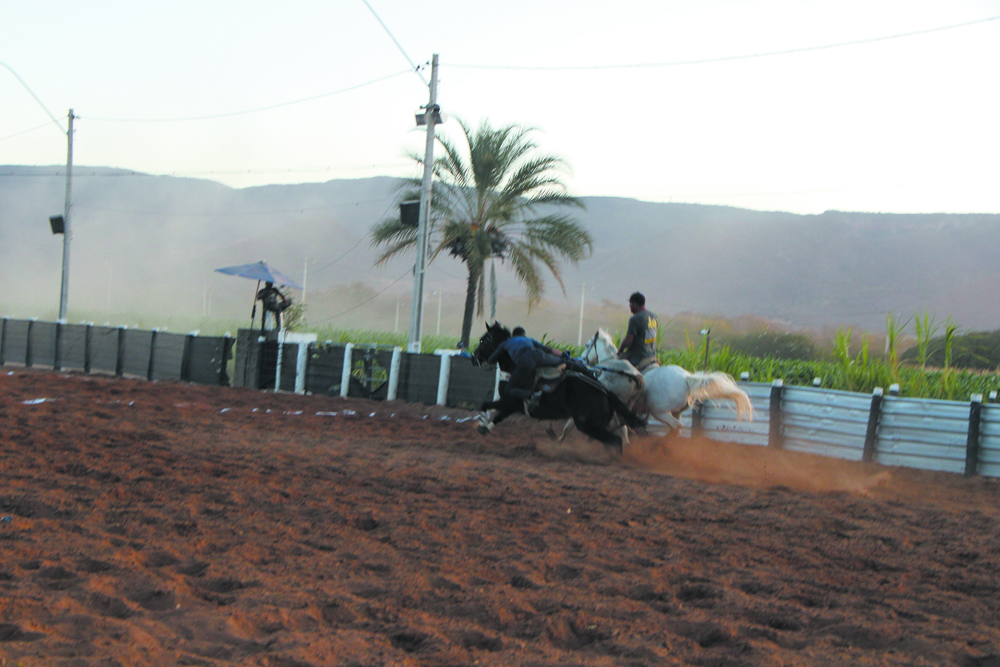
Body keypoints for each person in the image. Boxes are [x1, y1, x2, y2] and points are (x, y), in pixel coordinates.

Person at [486, 326, 568, 411]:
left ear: (513, 335)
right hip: (540, 356)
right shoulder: (529, 339)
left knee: (509, 389)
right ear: (523, 334)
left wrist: (488, 361)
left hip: (526, 362)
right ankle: (574, 365)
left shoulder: (507, 342)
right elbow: (548, 349)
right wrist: (563, 355)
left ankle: (531, 394)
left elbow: (492, 358)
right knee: (562, 362)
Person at [617, 291, 659, 370]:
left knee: (615, 367)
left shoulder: (635, 319)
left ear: (635, 304)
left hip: (638, 356)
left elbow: (628, 340)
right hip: (652, 354)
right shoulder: (654, 316)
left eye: (630, 304)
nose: (629, 306)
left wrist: (620, 351)